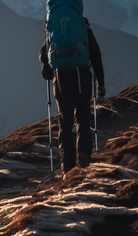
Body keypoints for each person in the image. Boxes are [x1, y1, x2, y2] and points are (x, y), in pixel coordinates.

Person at [39, 15, 105, 177]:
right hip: (82, 77)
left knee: (65, 122)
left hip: (61, 80)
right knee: (82, 116)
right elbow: (96, 56)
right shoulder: (85, 32)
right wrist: (101, 82)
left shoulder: (53, 33)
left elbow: (42, 55)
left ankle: (67, 166)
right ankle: (83, 152)